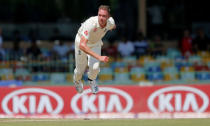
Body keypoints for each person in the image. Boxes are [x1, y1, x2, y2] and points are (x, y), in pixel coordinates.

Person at [73, 5, 116, 94]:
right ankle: (77, 81)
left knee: (95, 68)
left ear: (108, 17)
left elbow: (113, 26)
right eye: (99, 15)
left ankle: (91, 80)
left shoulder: (110, 23)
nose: (101, 18)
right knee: (80, 69)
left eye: (104, 16)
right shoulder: (91, 24)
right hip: (81, 42)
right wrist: (99, 57)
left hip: (95, 43)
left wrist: (111, 28)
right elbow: (82, 45)